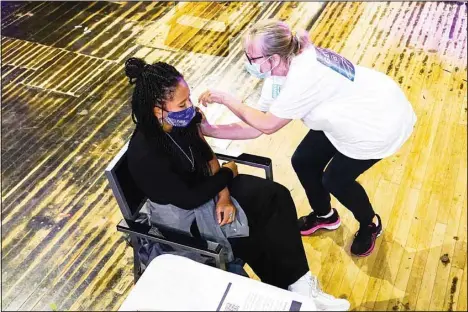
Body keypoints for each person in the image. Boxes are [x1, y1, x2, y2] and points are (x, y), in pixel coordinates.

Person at [123, 57, 350, 311]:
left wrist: (223, 195)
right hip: (184, 223)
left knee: (276, 196)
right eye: (182, 103)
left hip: (207, 195)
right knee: (257, 231)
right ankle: (289, 295)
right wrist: (228, 174)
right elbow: (188, 199)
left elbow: (207, 157)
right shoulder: (146, 154)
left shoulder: (182, 122)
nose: (190, 107)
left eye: (189, 98)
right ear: (157, 110)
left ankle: (300, 287)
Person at [198, 19, 417, 257]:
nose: (248, 63)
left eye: (252, 58)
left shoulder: (301, 78)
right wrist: (210, 129)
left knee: (335, 180)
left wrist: (227, 100)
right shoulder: (280, 70)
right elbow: (255, 125)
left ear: (273, 57)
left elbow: (268, 125)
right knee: (303, 161)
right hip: (344, 115)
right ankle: (325, 215)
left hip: (376, 124)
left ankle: (370, 222)